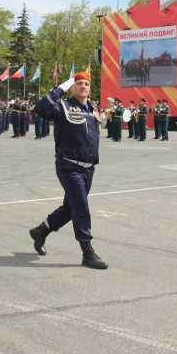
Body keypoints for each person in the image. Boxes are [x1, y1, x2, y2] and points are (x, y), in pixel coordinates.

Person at [29, 72, 108, 269]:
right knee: (81, 206)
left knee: (71, 207)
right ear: (72, 87)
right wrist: (62, 87)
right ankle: (87, 253)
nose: (83, 86)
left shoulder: (93, 109)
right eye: (79, 83)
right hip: (69, 165)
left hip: (89, 167)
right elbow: (40, 108)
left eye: (86, 84)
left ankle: (41, 231)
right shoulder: (62, 106)